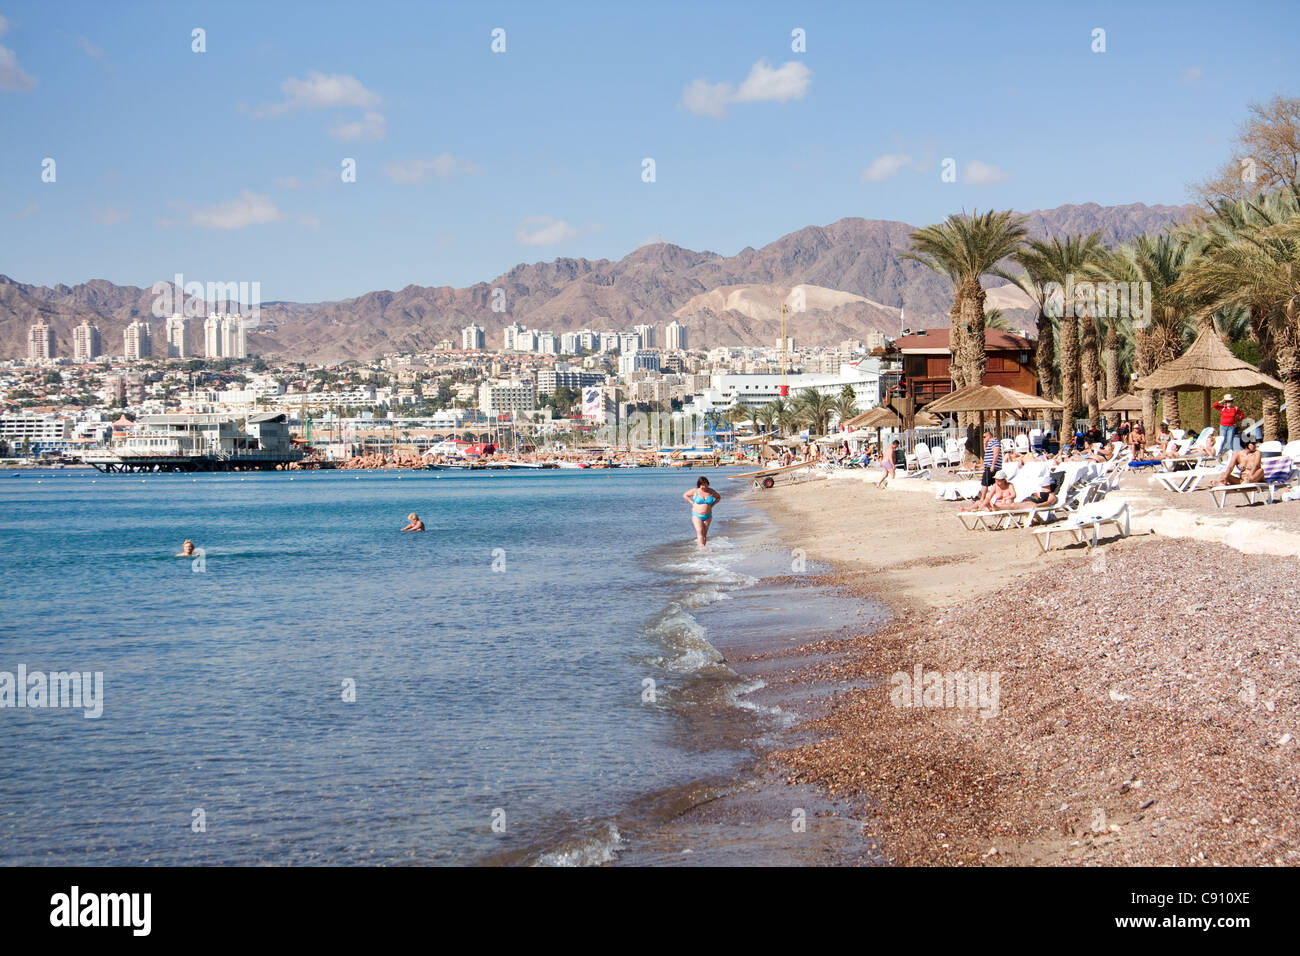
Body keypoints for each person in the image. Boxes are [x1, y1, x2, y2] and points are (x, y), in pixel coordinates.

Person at [683, 476, 721, 547]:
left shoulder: (711, 491)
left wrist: (712, 505)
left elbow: (718, 497)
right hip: (696, 515)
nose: (703, 486)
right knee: (700, 531)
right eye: (702, 485)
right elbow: (685, 495)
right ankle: (701, 550)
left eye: (705, 484)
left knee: (704, 535)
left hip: (708, 516)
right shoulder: (695, 491)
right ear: (699, 485)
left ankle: (703, 550)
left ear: (708, 484)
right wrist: (692, 503)